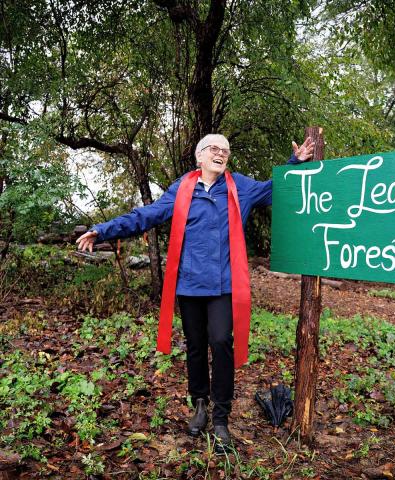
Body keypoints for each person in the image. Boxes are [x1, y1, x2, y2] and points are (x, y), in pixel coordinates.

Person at [77, 134, 314, 453]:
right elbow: (145, 216)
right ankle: (200, 404)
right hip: (189, 285)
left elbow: (273, 189)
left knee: (220, 341)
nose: (221, 154)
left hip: (225, 286)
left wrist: (294, 164)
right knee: (196, 347)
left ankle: (220, 418)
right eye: (214, 149)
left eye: (225, 150)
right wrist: (103, 229)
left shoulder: (238, 186)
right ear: (199, 157)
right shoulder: (182, 189)